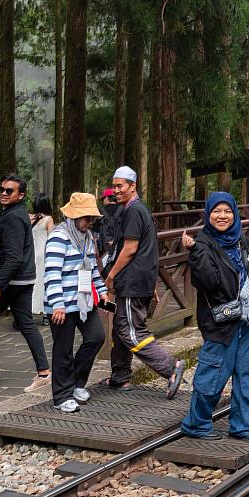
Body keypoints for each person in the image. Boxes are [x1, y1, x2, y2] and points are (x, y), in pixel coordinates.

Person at [181, 192, 249, 442]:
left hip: (247, 320)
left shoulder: (242, 241)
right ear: (208, 214)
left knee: (247, 376)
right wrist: (195, 252)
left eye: (227, 211)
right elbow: (208, 281)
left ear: (234, 214)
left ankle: (244, 426)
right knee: (212, 374)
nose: (222, 216)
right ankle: (196, 424)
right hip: (221, 322)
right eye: (216, 211)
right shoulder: (203, 243)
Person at [103, 166, 185, 398]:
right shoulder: (136, 210)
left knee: (130, 330)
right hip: (139, 280)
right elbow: (150, 250)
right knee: (121, 329)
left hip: (131, 280)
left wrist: (111, 275)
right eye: (114, 186)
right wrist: (152, 286)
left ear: (133, 186)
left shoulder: (134, 211)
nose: (116, 191)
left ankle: (171, 367)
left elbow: (130, 249)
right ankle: (120, 376)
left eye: (120, 186)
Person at [0, 174, 52, 393]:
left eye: (9, 191)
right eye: (1, 189)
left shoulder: (13, 217)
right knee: (25, 322)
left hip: (11, 280)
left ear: (21, 195)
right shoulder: (16, 213)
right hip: (23, 278)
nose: (3, 193)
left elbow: (13, 255)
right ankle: (44, 372)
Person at [44, 193, 110, 413]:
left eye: (92, 218)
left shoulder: (88, 237)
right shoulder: (58, 237)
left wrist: (101, 292)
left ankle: (76, 382)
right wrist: (57, 304)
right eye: (86, 218)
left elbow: (92, 268)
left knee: (96, 337)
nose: (90, 222)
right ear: (74, 217)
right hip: (62, 303)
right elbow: (51, 273)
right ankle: (62, 396)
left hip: (83, 300)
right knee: (63, 350)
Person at [30, 193, 55, 324]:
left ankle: (27, 310)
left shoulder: (30, 218)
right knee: (44, 283)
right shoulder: (49, 220)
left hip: (31, 253)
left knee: (31, 282)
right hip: (44, 254)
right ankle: (46, 313)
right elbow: (51, 237)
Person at [93, 188, 121, 263]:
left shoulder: (100, 211)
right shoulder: (124, 209)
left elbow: (95, 231)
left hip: (104, 250)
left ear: (106, 197)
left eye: (103, 199)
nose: (103, 201)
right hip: (120, 248)